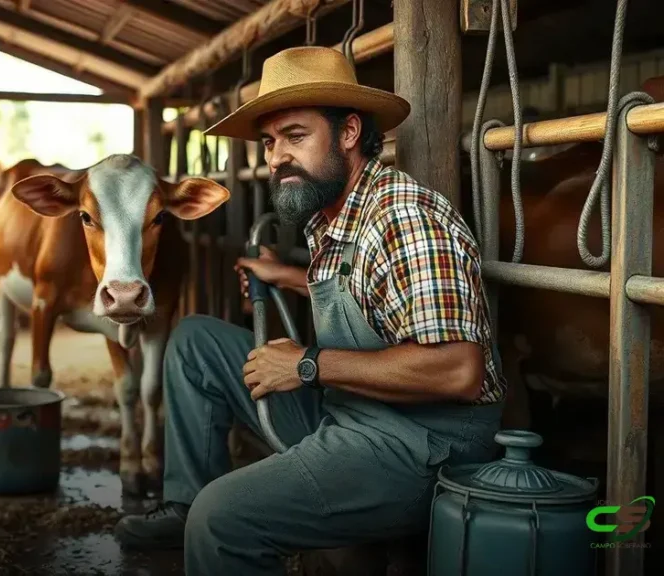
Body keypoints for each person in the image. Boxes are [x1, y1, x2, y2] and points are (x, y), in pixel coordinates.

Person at [112, 46, 507, 574]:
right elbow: (374, 293)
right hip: (353, 411)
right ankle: (185, 503)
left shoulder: (405, 218)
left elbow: (459, 370)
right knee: (195, 342)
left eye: (295, 136)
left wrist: (305, 364)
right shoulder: (336, 211)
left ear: (347, 133)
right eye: (270, 142)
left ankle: (206, 520)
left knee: (223, 519)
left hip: (422, 448)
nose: (276, 158)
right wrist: (290, 277)